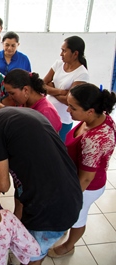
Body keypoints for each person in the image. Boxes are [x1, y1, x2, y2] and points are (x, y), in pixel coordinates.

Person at [0, 87, 82, 265]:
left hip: (50, 210)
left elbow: (2, 185)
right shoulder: (24, 113)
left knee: (32, 256)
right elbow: (28, 154)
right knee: (38, 250)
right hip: (70, 196)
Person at [48, 84, 116, 258]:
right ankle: (64, 226)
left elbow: (85, 179)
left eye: (73, 107)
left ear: (90, 111)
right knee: (70, 213)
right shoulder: (96, 118)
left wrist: (70, 199)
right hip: (74, 176)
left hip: (87, 187)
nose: (68, 110)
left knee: (78, 216)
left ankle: (69, 246)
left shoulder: (95, 139)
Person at [43, 35, 89, 141]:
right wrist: (61, 91)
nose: (61, 54)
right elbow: (42, 85)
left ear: (75, 54)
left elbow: (69, 100)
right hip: (47, 114)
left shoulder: (82, 73)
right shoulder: (58, 64)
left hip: (63, 120)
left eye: (64, 51)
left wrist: (50, 89)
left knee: (57, 151)